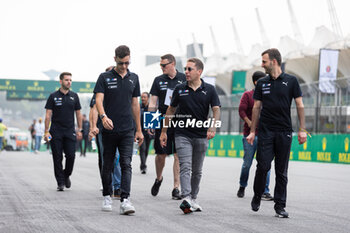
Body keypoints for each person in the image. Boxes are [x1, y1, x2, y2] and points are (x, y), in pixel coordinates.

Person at [247, 48, 307, 218]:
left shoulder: (291, 81)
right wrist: (252, 131)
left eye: (264, 61)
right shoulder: (262, 83)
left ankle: (280, 206)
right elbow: (256, 107)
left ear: (274, 61)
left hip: (284, 132)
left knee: (282, 171)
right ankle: (257, 195)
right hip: (266, 131)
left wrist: (302, 129)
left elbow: (300, 105)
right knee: (263, 166)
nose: (262, 64)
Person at [160, 58, 221, 214]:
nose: (186, 72)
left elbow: (216, 109)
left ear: (199, 72)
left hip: (201, 135)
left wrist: (212, 127)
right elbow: (170, 111)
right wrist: (164, 132)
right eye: (185, 69)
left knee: (197, 170)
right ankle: (186, 198)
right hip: (182, 134)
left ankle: (193, 198)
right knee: (185, 166)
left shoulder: (210, 89)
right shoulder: (180, 89)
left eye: (189, 69)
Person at [94, 45, 143, 215]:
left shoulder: (134, 78)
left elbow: (135, 104)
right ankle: (107, 196)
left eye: (127, 63)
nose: (124, 66)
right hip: (108, 129)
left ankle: (125, 200)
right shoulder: (104, 77)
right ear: (114, 59)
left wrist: (139, 129)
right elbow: (98, 100)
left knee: (126, 164)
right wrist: (103, 117)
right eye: (121, 63)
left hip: (127, 129)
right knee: (107, 164)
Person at [148, 54, 185, 200]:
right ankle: (159, 178)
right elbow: (152, 102)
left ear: (173, 63)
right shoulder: (158, 80)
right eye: (161, 66)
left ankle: (176, 187)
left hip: (180, 120)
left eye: (164, 65)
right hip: (163, 120)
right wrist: (150, 122)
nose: (162, 68)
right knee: (161, 155)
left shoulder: (183, 78)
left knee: (178, 155)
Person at [237, 71, 273, 201]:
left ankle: (265, 190)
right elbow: (241, 110)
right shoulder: (248, 95)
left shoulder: (269, 96)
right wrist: (250, 123)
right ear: (257, 82)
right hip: (249, 135)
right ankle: (242, 185)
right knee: (247, 163)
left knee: (266, 164)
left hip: (266, 135)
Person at [44, 72, 83, 191]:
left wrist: (80, 129)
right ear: (61, 81)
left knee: (71, 155)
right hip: (55, 131)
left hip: (70, 131)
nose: (69, 82)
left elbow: (78, 113)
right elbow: (48, 115)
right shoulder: (53, 96)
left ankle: (66, 175)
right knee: (57, 157)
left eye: (70, 80)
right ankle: (60, 182)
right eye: (66, 80)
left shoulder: (74, 96)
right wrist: (46, 131)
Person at [139, 92, 153, 174]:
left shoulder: (151, 107)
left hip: (149, 132)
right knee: (142, 148)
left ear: (148, 98)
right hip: (141, 132)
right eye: (142, 97)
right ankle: (143, 166)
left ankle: (143, 163)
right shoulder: (138, 107)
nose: (143, 98)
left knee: (146, 149)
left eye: (144, 97)